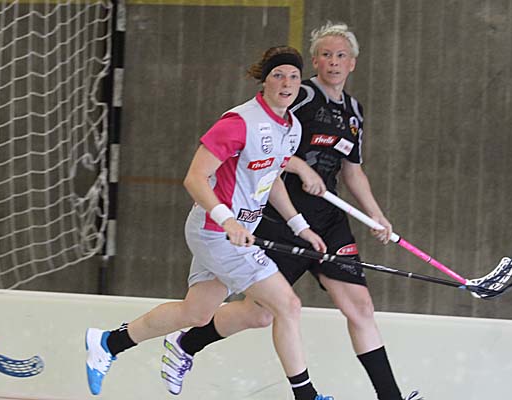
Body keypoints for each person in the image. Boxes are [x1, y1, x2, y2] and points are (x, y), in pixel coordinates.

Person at [160, 22, 422, 400]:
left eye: (341, 55)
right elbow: (267, 143)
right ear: (315, 61)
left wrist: (376, 215)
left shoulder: (353, 111)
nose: (334, 62)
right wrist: (300, 168)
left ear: (353, 63)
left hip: (328, 221)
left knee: (361, 307)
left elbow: (353, 171)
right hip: (284, 216)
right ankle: (188, 342)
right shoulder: (299, 94)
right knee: (260, 313)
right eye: (326, 55)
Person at [84, 45, 334, 400]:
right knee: (287, 305)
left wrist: (300, 226)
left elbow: (271, 177)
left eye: (294, 76)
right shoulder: (238, 123)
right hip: (217, 232)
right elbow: (195, 178)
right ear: (264, 81)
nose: (287, 83)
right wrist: (227, 220)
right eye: (278, 75)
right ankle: (306, 396)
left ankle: (109, 343)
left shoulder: (291, 127)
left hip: (235, 232)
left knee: (198, 313)